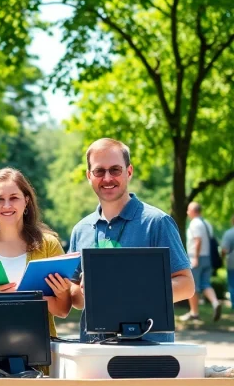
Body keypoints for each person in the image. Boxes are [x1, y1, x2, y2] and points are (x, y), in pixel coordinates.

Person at [68, 138, 194, 342]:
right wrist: (85, 291)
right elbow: (75, 298)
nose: (107, 178)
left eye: (115, 170)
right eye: (99, 171)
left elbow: (187, 286)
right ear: (89, 176)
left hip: (149, 351)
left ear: (129, 171)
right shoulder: (80, 229)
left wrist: (125, 289)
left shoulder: (157, 222)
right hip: (94, 352)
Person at [0, 168, 72, 337]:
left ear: (26, 201)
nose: (7, 206)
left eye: (14, 198)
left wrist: (27, 297)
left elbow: (62, 310)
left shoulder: (49, 245)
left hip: (38, 348)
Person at [181, 202, 221, 322]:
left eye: (188, 210)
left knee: (193, 286)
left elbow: (198, 241)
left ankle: (194, 313)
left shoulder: (195, 224)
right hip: (207, 257)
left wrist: (195, 258)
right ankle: (215, 302)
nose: (187, 213)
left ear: (193, 211)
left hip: (196, 257)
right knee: (205, 284)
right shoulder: (207, 223)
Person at [221, 213, 234, 311]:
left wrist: (222, 258)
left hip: (232, 262)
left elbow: (224, 250)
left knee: (232, 284)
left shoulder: (229, 233)